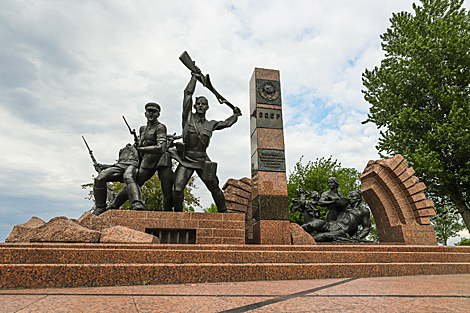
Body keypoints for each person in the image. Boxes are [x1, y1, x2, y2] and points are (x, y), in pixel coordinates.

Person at [170, 71, 242, 212]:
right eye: (199, 104)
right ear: (195, 106)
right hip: (187, 159)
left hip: (203, 159)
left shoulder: (211, 124)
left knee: (214, 187)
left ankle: (224, 213)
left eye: (204, 104)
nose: (201, 106)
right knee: (177, 188)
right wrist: (194, 78)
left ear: (207, 107)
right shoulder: (187, 117)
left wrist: (235, 115)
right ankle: (178, 215)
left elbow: (226, 123)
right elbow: (187, 95)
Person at [108, 102, 172, 211]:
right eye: (149, 111)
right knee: (135, 183)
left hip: (162, 160)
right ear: (145, 113)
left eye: (154, 112)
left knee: (167, 192)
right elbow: (142, 144)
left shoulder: (161, 127)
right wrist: (137, 145)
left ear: (158, 114)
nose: (151, 113)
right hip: (147, 160)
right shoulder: (142, 129)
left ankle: (168, 216)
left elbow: (161, 147)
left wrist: (141, 149)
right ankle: (114, 206)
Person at [93, 143, 144, 216]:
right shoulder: (122, 150)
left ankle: (137, 203)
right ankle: (100, 207)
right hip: (119, 166)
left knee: (128, 177)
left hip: (132, 165)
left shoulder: (140, 149)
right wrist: (104, 166)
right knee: (99, 179)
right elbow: (119, 163)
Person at [301, 190, 371, 242]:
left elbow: (366, 228)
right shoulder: (344, 207)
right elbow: (329, 206)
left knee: (317, 238)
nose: (350, 198)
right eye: (349, 196)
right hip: (331, 224)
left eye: (352, 196)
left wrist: (359, 237)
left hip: (341, 231)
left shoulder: (363, 211)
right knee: (310, 225)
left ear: (358, 199)